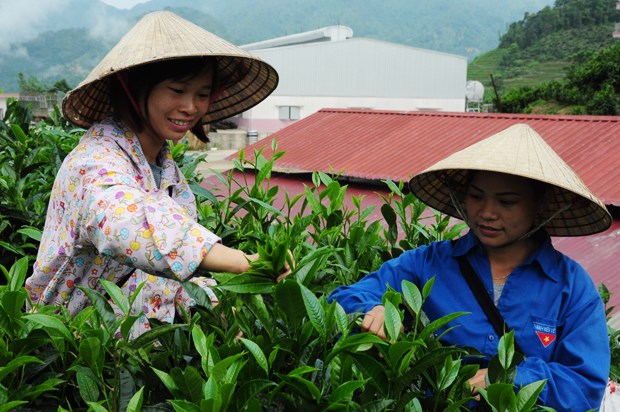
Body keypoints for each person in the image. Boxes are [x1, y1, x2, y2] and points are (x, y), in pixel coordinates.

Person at [25, 11, 288, 338]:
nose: (191, 107)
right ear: (135, 88)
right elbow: (128, 224)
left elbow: (161, 274)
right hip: (70, 355)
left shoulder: (168, 173)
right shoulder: (93, 161)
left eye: (203, 94)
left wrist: (217, 306)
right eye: (177, 89)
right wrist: (240, 261)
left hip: (134, 350)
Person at [328, 123, 612, 410]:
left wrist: (509, 378)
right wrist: (372, 311)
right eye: (476, 196)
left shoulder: (571, 287)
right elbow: (343, 299)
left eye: (507, 201)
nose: (487, 213)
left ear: (540, 204)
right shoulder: (428, 264)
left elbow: (584, 385)